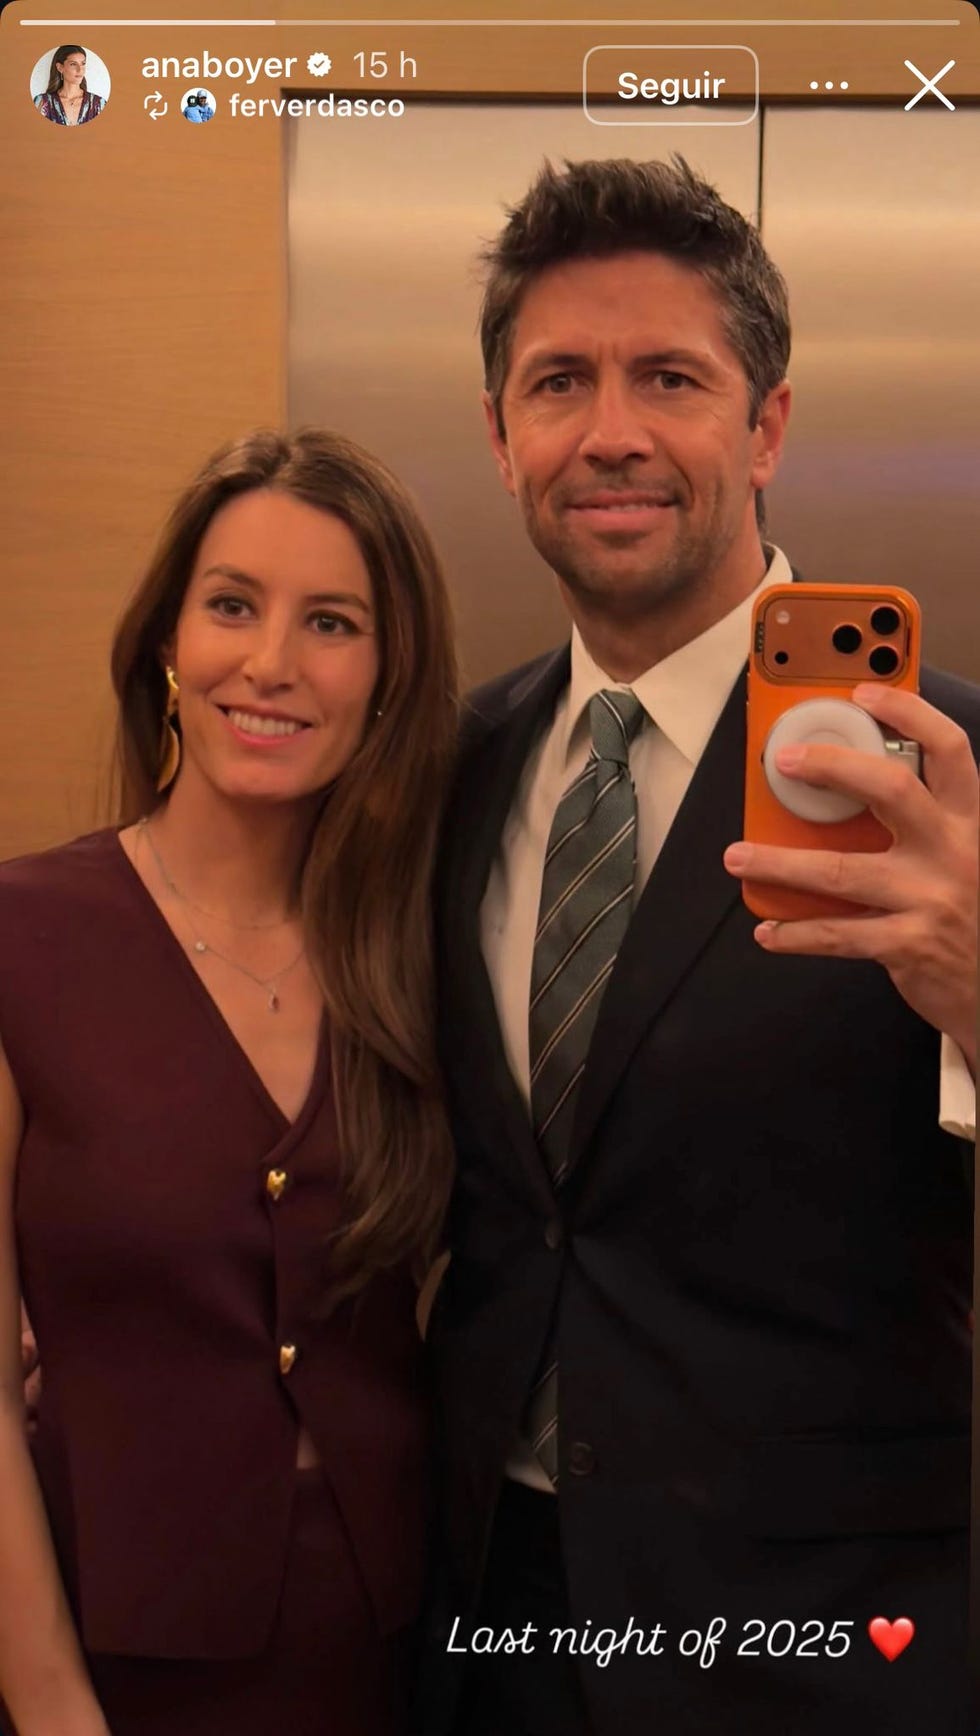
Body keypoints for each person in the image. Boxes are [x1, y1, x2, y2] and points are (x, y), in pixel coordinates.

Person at [423, 158, 979, 1736]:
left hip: (822, 1637)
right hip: (490, 1608)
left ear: (767, 427)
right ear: (501, 436)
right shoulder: (451, 771)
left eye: (670, 377)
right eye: (560, 383)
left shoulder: (949, 772)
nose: (611, 432)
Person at [0, 428, 458, 1735]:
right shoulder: (23, 936)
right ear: (168, 640)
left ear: (388, 674)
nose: (271, 663)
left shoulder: (425, 952)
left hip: (394, 1652)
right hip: (108, 1663)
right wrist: (48, 1701)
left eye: (331, 622)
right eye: (233, 606)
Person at [34, 45, 105, 127]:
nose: (80, 70)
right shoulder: (42, 103)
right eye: (73, 64)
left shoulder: (99, 104)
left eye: (83, 63)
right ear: (60, 67)